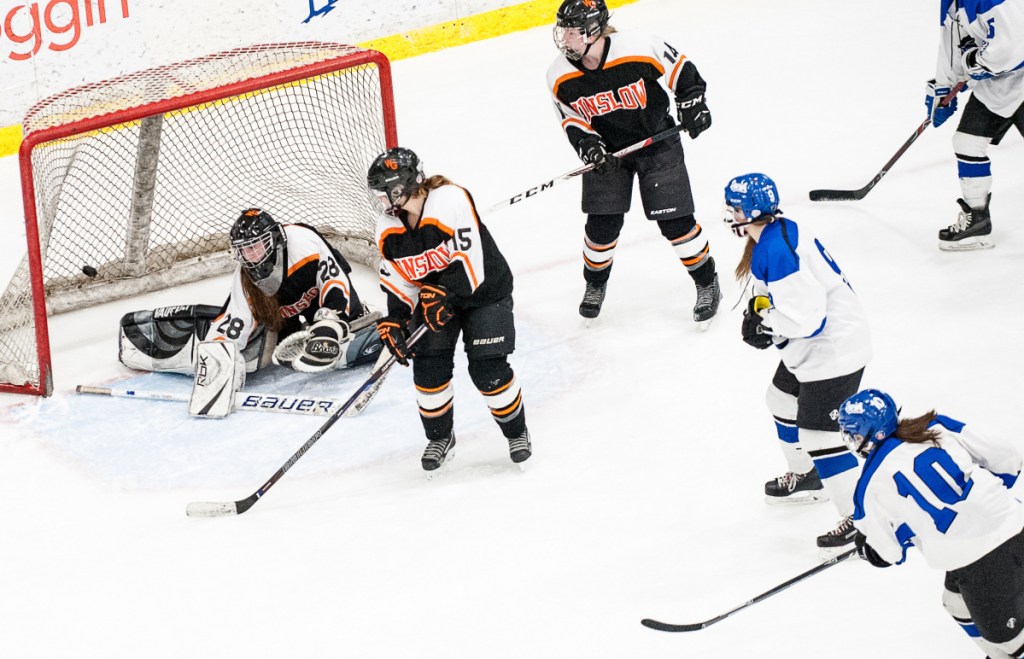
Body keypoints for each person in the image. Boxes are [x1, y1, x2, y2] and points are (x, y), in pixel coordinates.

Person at [545, 0, 721, 326]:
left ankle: (706, 282)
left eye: (573, 31)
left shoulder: (636, 46)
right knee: (601, 227)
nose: (565, 38)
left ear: (594, 29)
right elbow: (572, 120)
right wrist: (589, 146)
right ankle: (595, 285)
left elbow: (682, 70)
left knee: (675, 222)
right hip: (610, 155)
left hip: (657, 141)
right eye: (564, 30)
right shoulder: (559, 74)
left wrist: (692, 102)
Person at [725, 173, 872, 549]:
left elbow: (807, 321)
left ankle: (862, 519)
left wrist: (767, 324)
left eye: (735, 208)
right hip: (816, 347)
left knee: (819, 436)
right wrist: (759, 314)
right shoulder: (773, 236)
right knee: (780, 400)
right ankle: (806, 474)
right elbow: (774, 295)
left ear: (753, 211)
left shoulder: (777, 249)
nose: (730, 214)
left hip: (834, 351)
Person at [366, 146, 532, 471]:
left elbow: (472, 265)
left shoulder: (450, 199)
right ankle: (440, 438)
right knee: (428, 372)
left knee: (488, 372)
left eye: (384, 194)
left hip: (484, 293)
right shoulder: (387, 227)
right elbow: (399, 280)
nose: (380, 202)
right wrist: (397, 320)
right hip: (435, 299)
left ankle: (516, 432)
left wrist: (441, 292)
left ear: (402, 187)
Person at [838, 389, 1024, 659]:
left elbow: (887, 552)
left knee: (1013, 644)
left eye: (853, 434)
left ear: (873, 434)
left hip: (977, 560)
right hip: (1016, 523)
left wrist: (870, 551)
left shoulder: (869, 484)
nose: (851, 442)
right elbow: (1008, 458)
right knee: (955, 603)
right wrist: (981, 504)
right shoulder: (934, 426)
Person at [119, 208, 382, 379]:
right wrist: (218, 357)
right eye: (245, 250)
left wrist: (329, 322)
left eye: (256, 246)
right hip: (284, 313)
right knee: (268, 356)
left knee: (350, 337)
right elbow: (235, 322)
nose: (252, 256)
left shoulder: (304, 242)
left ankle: (346, 323)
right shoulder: (245, 277)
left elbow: (335, 281)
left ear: (275, 240)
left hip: (317, 299)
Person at [929, 0, 1024, 251]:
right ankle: (978, 221)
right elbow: (953, 43)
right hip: (994, 88)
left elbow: (1015, 43)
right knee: (966, 142)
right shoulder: (951, 2)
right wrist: (943, 87)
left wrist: (976, 61)